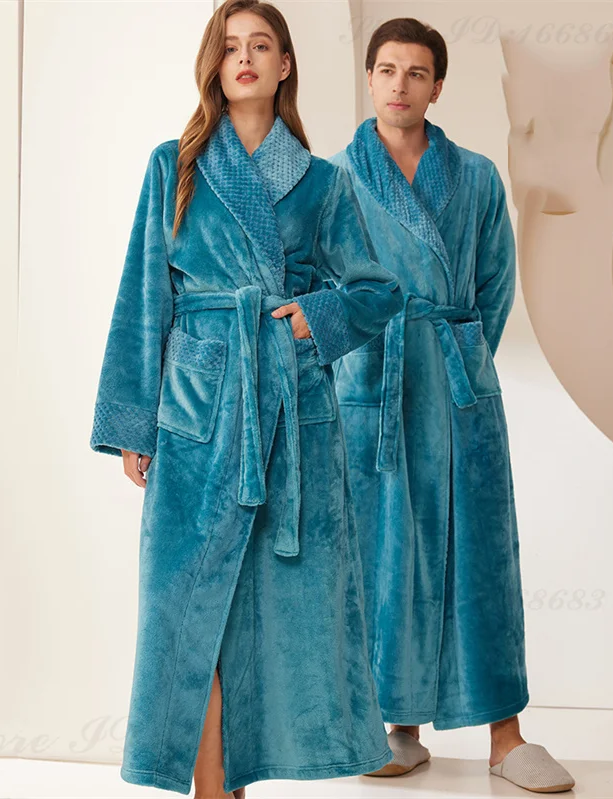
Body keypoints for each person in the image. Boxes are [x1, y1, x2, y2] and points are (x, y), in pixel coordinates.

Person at [88, 1, 405, 796]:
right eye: (231, 46)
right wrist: (134, 423)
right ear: (215, 63)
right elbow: (144, 297)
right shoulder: (175, 164)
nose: (245, 58)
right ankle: (209, 788)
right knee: (189, 610)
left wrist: (315, 316)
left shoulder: (323, 182)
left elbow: (377, 291)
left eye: (262, 45)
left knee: (268, 615)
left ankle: (236, 779)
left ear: (285, 64)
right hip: (198, 410)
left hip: (292, 417)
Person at [326, 18, 576, 794]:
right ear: (370, 79)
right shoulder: (334, 179)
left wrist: (457, 355)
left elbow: (494, 283)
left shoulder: (476, 177)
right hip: (374, 387)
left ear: (437, 86)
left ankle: (505, 734)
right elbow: (322, 290)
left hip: (457, 388)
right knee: (385, 555)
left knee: (481, 556)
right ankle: (396, 726)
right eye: (387, 69)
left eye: (416, 72)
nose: (399, 84)